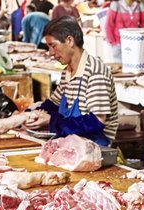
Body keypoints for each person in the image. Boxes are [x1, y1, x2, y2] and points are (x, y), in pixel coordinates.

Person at [25, 16, 118, 146]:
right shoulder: (68, 71)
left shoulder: (94, 72)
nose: (50, 53)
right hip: (72, 143)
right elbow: (53, 103)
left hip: (95, 147)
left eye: (53, 45)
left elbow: (97, 121)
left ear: (69, 40)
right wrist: (26, 116)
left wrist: (51, 121)